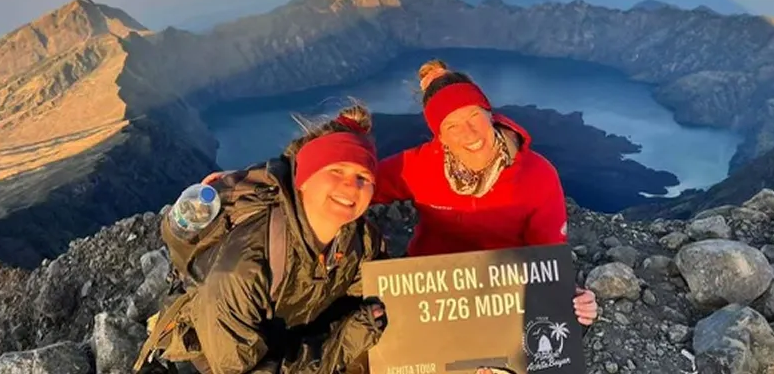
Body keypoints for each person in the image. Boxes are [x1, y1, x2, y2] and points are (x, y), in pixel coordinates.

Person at [137, 103, 388, 374]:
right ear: (304, 178)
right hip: (223, 360)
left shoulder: (360, 240)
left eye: (363, 176)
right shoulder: (245, 265)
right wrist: (345, 342)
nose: (351, 186)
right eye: (336, 171)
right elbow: (242, 369)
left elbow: (380, 300)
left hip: (291, 340)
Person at [372, 59, 598, 327]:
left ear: (489, 114)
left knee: (568, 326)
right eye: (452, 126)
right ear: (440, 136)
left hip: (501, 291)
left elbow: (547, 252)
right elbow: (360, 185)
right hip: (430, 285)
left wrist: (572, 295)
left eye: (473, 116)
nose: (469, 133)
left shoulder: (537, 175)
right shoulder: (420, 166)